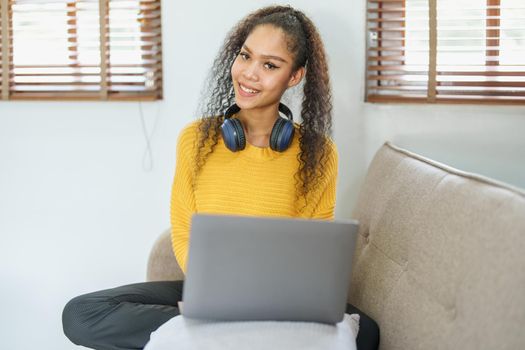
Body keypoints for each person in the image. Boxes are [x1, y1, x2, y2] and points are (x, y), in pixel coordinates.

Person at [62, 5, 379, 350]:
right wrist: (217, 294)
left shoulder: (319, 153)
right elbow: (183, 230)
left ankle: (212, 338)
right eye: (245, 56)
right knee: (81, 313)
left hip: (276, 299)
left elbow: (312, 247)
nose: (249, 74)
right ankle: (236, 336)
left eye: (270, 65)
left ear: (294, 77)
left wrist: (262, 295)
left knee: (367, 331)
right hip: (208, 291)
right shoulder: (195, 139)